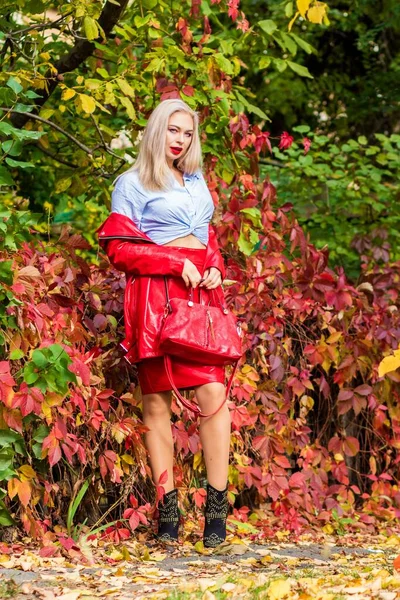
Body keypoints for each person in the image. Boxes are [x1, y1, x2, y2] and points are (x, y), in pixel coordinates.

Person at [97, 99, 231, 548]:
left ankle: (216, 513)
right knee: (156, 404)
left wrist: (215, 265)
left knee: (213, 393)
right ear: (157, 130)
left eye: (188, 133)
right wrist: (175, 263)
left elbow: (207, 238)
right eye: (173, 130)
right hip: (156, 297)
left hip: (201, 293)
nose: (180, 140)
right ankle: (168, 515)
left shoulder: (196, 181)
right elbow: (118, 249)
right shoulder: (132, 183)